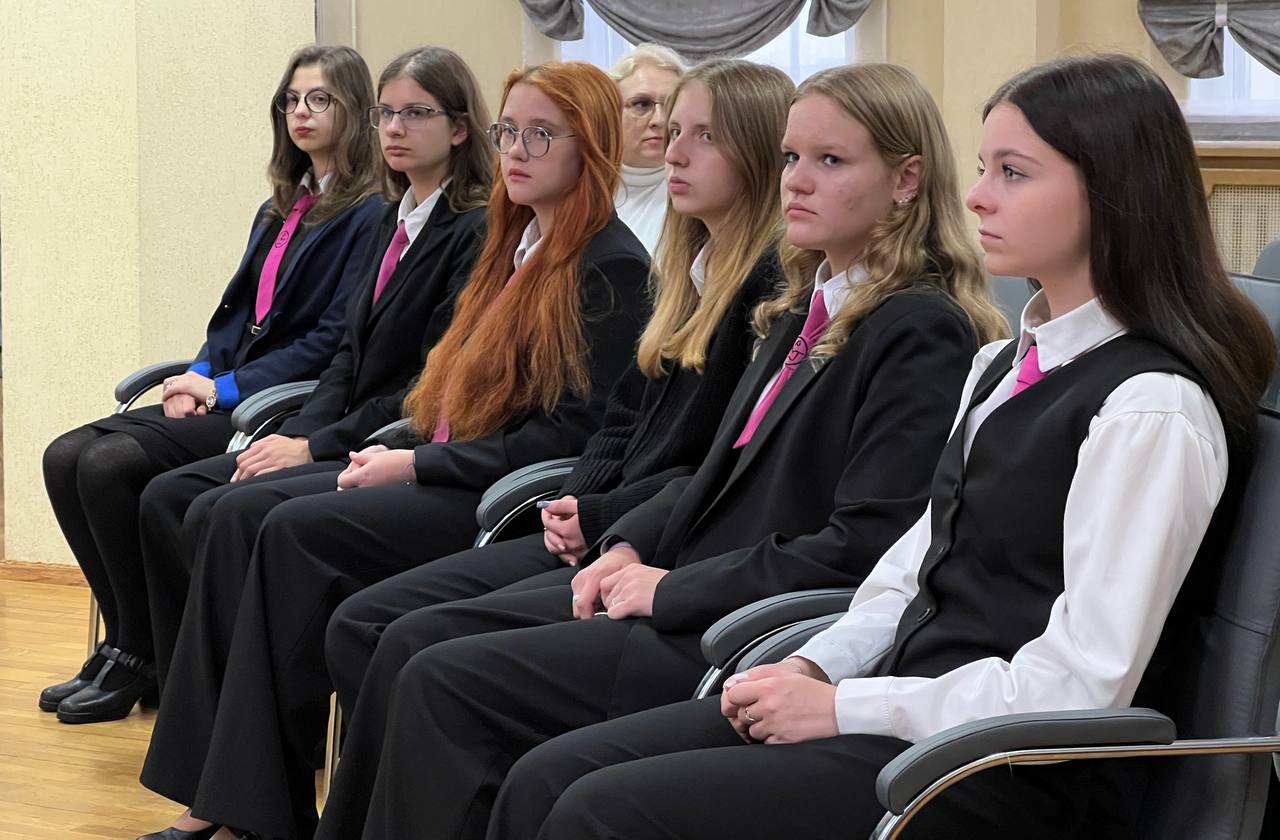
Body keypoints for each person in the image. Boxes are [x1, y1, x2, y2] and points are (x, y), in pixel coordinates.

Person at [487, 53, 1277, 840]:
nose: (976, 195)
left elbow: (1079, 687)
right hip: (911, 715)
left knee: (601, 812)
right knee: (548, 776)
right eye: (983, 169)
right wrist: (814, 665)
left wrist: (845, 705)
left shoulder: (1151, 408)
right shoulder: (1002, 364)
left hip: (1000, 773)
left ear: (1113, 192)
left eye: (1012, 173)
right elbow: (910, 568)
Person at [343, 61, 1008, 840]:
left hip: (732, 625)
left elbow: (861, 544)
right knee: (422, 653)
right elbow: (715, 474)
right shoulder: (805, 306)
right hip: (683, 584)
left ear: (906, 181)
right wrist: (630, 543)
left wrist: (670, 587)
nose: (797, 180)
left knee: (446, 680)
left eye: (830, 160)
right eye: (792, 157)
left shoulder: (918, 326)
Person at [136, 60, 651, 840]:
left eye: (541, 135)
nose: (516, 150)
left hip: (492, 497)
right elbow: (440, 389)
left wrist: (413, 461)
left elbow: (567, 439)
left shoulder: (608, 264)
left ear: (592, 145)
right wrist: (396, 444)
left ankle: (250, 802)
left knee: (286, 532)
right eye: (509, 131)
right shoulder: (513, 244)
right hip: (439, 463)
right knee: (238, 515)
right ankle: (239, 796)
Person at [316, 56, 792, 840]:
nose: (671, 150)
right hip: (600, 523)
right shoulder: (689, 269)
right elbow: (623, 423)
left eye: (702, 136)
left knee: (409, 643)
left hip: (658, 557)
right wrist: (586, 501)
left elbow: (710, 468)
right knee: (379, 624)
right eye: (672, 131)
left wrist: (603, 517)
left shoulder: (760, 292)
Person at [38, 44, 383, 725]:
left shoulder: (369, 214)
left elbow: (328, 342)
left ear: (354, 110)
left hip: (278, 405)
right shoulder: (281, 206)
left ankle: (139, 652)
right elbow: (236, 318)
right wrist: (197, 372)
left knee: (108, 464)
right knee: (64, 456)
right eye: (291, 100)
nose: (301, 113)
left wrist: (223, 389)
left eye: (320, 99)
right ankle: (129, 640)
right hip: (231, 387)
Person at [134, 44, 493, 695]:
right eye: (387, 113)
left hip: (390, 439)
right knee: (175, 497)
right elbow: (346, 355)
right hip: (336, 425)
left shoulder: (471, 229)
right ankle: (190, 694)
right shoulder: (393, 220)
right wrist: (300, 432)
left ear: (461, 128)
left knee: (230, 513)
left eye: (415, 113)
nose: (395, 128)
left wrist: (312, 444)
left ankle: (242, 712)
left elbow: (424, 384)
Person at [609, 43, 685, 254]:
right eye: (642, 104)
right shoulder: (584, 189)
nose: (659, 120)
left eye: (670, 105)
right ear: (611, 112)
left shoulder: (698, 196)